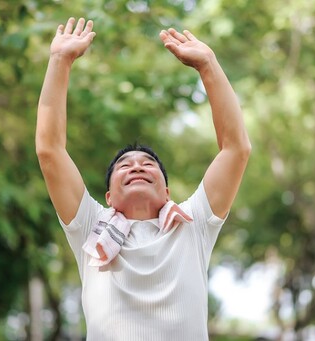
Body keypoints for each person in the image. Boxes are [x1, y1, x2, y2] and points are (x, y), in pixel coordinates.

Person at [36, 17, 251, 341]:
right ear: (108, 198)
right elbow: (49, 150)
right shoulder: (90, 226)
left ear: (167, 192)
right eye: (124, 165)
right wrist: (59, 61)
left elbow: (236, 148)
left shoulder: (193, 225)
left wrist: (208, 65)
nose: (136, 166)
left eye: (148, 163)